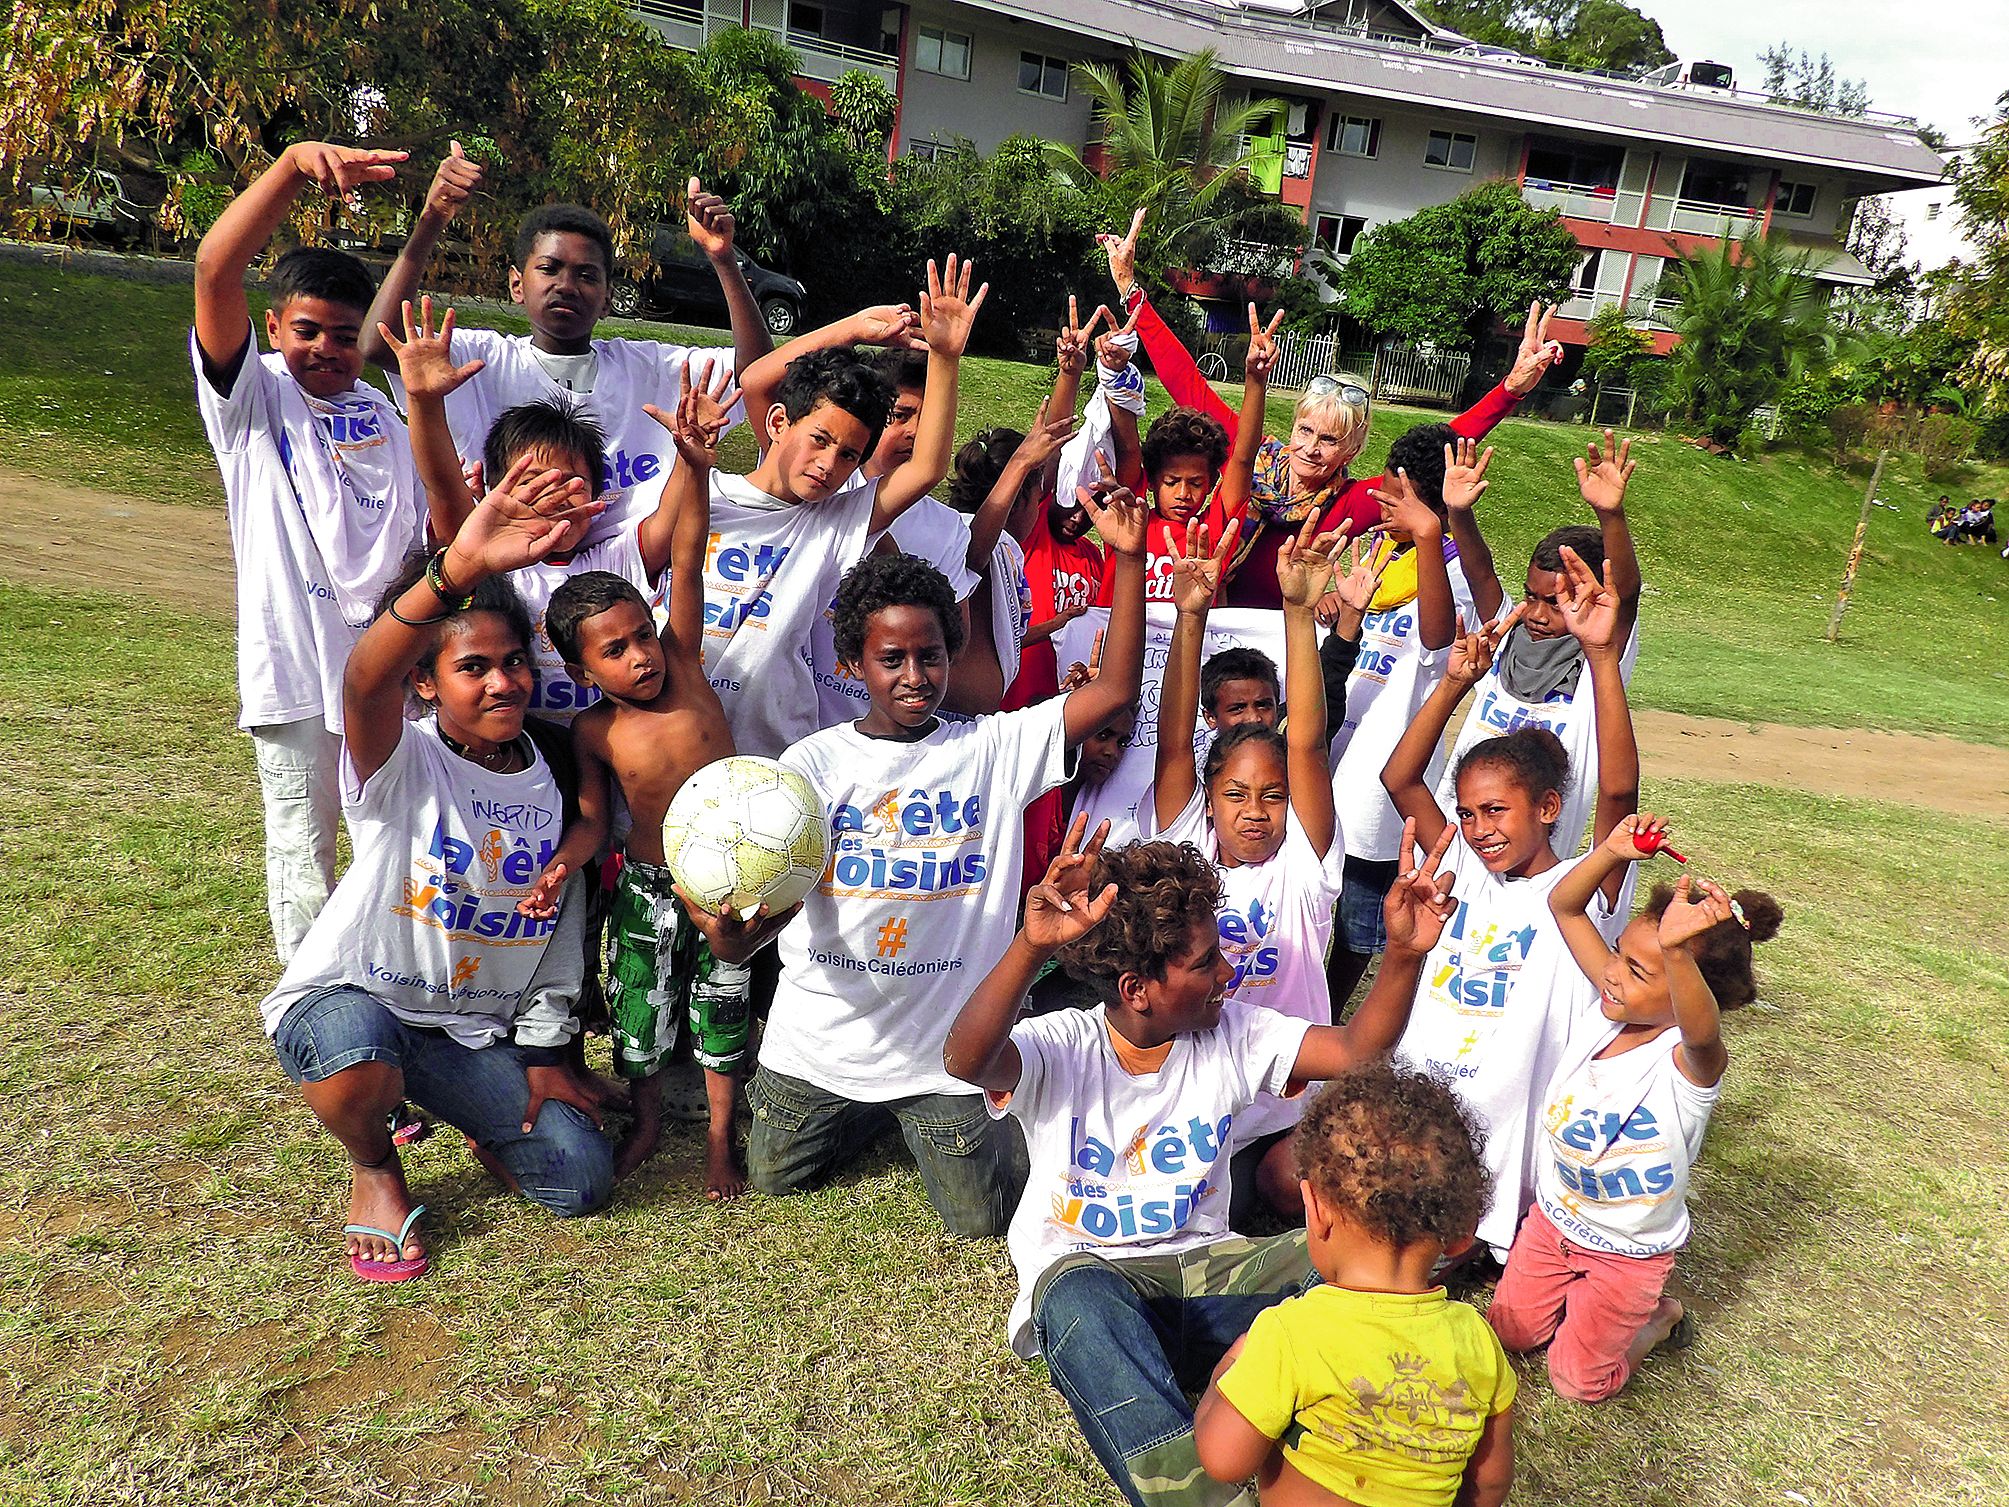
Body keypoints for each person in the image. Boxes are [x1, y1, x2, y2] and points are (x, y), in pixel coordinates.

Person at [940, 814, 1458, 1507]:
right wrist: (1030, 946)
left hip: (1216, 1275)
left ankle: (1343, 1395)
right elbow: (965, 1058)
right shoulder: (1060, 1044)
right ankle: (1199, 1499)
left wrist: (1402, 953)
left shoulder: (1234, 1032)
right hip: (1101, 1285)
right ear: (1136, 989)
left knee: (1359, 1246)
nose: (1227, 969)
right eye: (1204, 961)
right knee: (1067, 1295)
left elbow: (1355, 1050)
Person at [750, 476, 1150, 1235]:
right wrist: (735, 931)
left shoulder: (993, 747)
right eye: (890, 658)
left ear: (952, 651)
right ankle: (865, 1112)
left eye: (929, 655)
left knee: (980, 1220)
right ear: (852, 662)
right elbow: (767, 906)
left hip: (944, 1058)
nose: (913, 677)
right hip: (816, 1046)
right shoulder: (810, 764)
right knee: (773, 1182)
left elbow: (1114, 688)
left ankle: (907, 1112)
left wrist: (1125, 560)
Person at [259, 458, 616, 1283]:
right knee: (354, 1054)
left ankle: (456, 1106)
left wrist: (543, 1053)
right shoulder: (400, 759)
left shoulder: (556, 769)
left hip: (464, 1032)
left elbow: (555, 928)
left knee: (580, 1179)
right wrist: (455, 569)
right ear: (425, 681)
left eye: (515, 662)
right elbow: (362, 675)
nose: (503, 681)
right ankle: (375, 1164)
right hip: (357, 1001)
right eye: (472, 667)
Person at [543, 373, 794, 1197]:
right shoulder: (593, 732)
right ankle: (648, 1117)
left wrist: (693, 460)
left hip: (732, 877)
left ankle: (723, 1134)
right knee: (640, 1014)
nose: (640, 655)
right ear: (579, 669)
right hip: (648, 886)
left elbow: (687, 551)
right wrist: (562, 862)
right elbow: (590, 820)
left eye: (641, 635)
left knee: (724, 1006)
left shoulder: (685, 664)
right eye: (614, 650)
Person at [191, 139, 437, 963]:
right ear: (272, 326)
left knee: (393, 847)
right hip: (296, 675)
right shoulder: (252, 397)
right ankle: (317, 1016)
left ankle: (392, 998)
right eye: (306, 330)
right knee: (305, 856)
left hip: (389, 675)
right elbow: (215, 269)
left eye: (342, 333)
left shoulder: (382, 409)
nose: (325, 348)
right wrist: (292, 167)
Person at [1381, 542, 1641, 1265]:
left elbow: (1618, 793)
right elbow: (1400, 777)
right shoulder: (1456, 865)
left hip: (1491, 1156)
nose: (1477, 830)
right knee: (1294, 1182)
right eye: (1466, 813)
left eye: (1495, 811)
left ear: (1550, 806)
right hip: (1413, 1111)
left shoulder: (1584, 888)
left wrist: (1600, 659)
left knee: (1408, 1250)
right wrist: (1452, 684)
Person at [1096, 208, 1562, 608]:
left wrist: (1511, 390)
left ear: (1352, 451)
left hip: (1276, 644)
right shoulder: (1252, 453)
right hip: (1204, 615)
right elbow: (1186, 384)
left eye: (1329, 439)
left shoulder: (1351, 503)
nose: (1311, 449)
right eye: (1305, 431)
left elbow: (1437, 448)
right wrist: (1132, 290)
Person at [1489, 815, 1782, 1403]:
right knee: (1509, 1335)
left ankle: (1659, 1318)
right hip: (1554, 1223)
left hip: (1629, 1255)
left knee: (1578, 1383)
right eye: (1620, 956)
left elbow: (1703, 1034)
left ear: (1685, 991)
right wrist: (1613, 851)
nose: (1613, 975)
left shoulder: (1686, 1063)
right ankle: (1576, 1300)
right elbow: (1565, 908)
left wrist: (1675, 952)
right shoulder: (1611, 1007)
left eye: (1640, 969)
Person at [360, 162, 771, 530]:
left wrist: (723, 259)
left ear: (609, 296)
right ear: (516, 284)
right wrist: (431, 220)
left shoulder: (649, 368)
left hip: (626, 576)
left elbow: (758, 376)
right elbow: (378, 343)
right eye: (549, 268)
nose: (566, 286)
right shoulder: (481, 361)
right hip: (512, 572)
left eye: (587, 275)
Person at [699, 258, 987, 757]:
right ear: (776, 424)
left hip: (777, 759)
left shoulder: (837, 519)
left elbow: (926, 469)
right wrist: (853, 328)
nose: (829, 464)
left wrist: (945, 357)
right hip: (682, 742)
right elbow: (754, 381)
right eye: (819, 440)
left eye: (849, 454)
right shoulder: (706, 496)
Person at [1193, 1063, 1516, 1507]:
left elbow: (1223, 1460)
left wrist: (1227, 1370)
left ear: (1316, 1211)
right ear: (1461, 1232)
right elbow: (1490, 1484)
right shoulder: (1479, 1342)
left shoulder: (1292, 1333)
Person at [1151, 515, 1348, 1224]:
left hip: (1286, 1098)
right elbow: (1174, 745)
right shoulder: (1185, 849)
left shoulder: (1303, 865)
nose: (1255, 811)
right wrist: (1189, 614)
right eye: (1236, 793)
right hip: (1200, 1085)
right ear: (1210, 797)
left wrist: (1299, 611)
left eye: (1272, 795)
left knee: (1279, 1184)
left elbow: (1310, 746)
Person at [1325, 434, 1504, 1012]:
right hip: (1334, 753)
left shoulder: (1449, 570)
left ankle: (1331, 1014)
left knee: (1356, 923)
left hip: (1376, 775)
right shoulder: (1384, 556)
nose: (1379, 497)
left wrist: (1433, 532)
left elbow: (1433, 639)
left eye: (1395, 493)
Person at [1436, 432, 1643, 858]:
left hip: (1530, 871)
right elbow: (1481, 573)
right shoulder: (1503, 637)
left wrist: (1611, 516)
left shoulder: (1596, 666)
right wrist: (1458, 512)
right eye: (1531, 596)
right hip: (1452, 857)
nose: (1536, 614)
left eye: (1556, 602)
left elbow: (1627, 592)